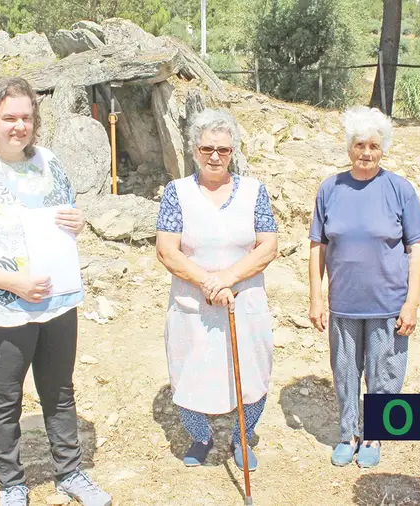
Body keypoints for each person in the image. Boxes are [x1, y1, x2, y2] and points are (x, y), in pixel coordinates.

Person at [0, 77, 111, 506]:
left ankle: (71, 473)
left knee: (60, 391)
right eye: (9, 118)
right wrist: (13, 282)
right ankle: (12, 484)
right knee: (3, 398)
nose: (19, 126)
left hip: (57, 302)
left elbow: (66, 218)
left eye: (26, 117)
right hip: (3, 307)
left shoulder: (50, 163)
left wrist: (79, 222)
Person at [307, 106, 420, 468]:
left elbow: (417, 249)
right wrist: (316, 297)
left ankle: (375, 435)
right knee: (345, 372)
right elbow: (318, 246)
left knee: (385, 373)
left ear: (383, 149)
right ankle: (348, 433)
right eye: (359, 144)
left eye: (374, 145)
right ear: (349, 147)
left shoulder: (399, 189)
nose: (366, 152)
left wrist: (412, 304)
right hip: (344, 303)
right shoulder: (330, 189)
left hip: (387, 304)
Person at [156, 108, 278, 471]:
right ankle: (201, 436)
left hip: (245, 298)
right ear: (194, 150)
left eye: (223, 150)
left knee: (253, 369)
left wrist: (226, 279)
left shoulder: (255, 191)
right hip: (192, 300)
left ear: (232, 152)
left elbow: (268, 247)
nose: (214, 156)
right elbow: (166, 250)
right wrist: (207, 283)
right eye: (207, 148)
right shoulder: (177, 192)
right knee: (190, 368)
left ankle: (242, 437)